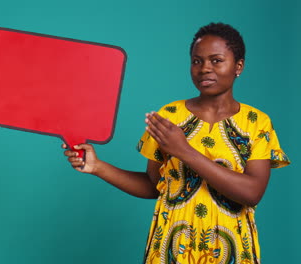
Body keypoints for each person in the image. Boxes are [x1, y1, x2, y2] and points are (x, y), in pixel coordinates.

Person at [62, 22, 290, 264]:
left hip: (233, 250)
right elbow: (154, 185)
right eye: (197, 61)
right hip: (170, 249)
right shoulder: (169, 116)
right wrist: (98, 167)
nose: (204, 69)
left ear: (238, 66)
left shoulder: (257, 122)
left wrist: (183, 151)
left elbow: (252, 193)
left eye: (216, 60)